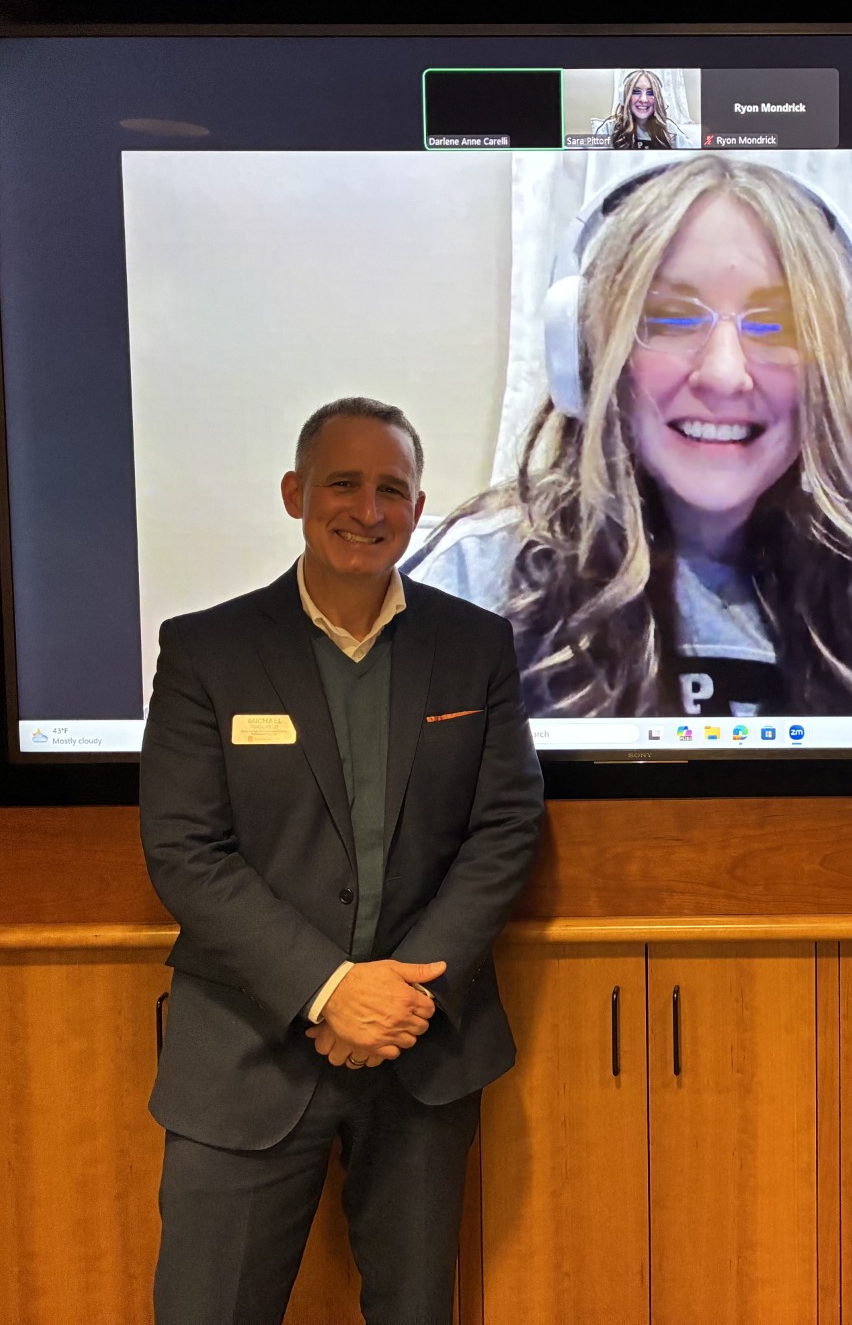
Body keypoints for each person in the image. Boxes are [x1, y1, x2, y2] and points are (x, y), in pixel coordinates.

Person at [141, 396, 545, 1325]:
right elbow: (185, 850)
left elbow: (505, 828)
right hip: (245, 1054)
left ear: (418, 506)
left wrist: (401, 998)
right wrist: (330, 990)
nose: (368, 509)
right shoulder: (208, 651)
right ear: (295, 493)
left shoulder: (473, 647)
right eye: (344, 483)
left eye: (392, 489)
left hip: (419, 1049)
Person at [408, 155, 852, 720]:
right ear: (587, 353)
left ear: (845, 366)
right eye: (670, 316)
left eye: (777, 323)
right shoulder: (480, 576)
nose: (723, 373)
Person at [595, 68, 692, 150]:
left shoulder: (669, 129)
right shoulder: (607, 129)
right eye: (636, 92)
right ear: (624, 97)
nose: (643, 99)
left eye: (650, 93)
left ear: (659, 99)